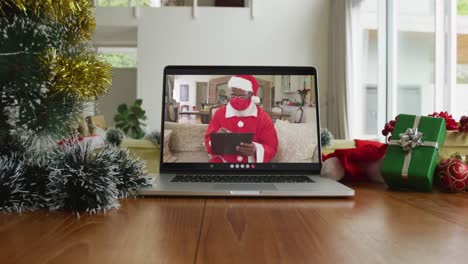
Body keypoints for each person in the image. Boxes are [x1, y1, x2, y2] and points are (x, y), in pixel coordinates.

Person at [205, 75, 278, 163]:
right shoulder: (219, 114)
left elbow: (271, 147)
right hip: (223, 163)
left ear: (251, 95)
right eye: (233, 95)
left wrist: (255, 149)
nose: (236, 100)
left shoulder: (263, 117)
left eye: (242, 96)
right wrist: (216, 139)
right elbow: (208, 144)